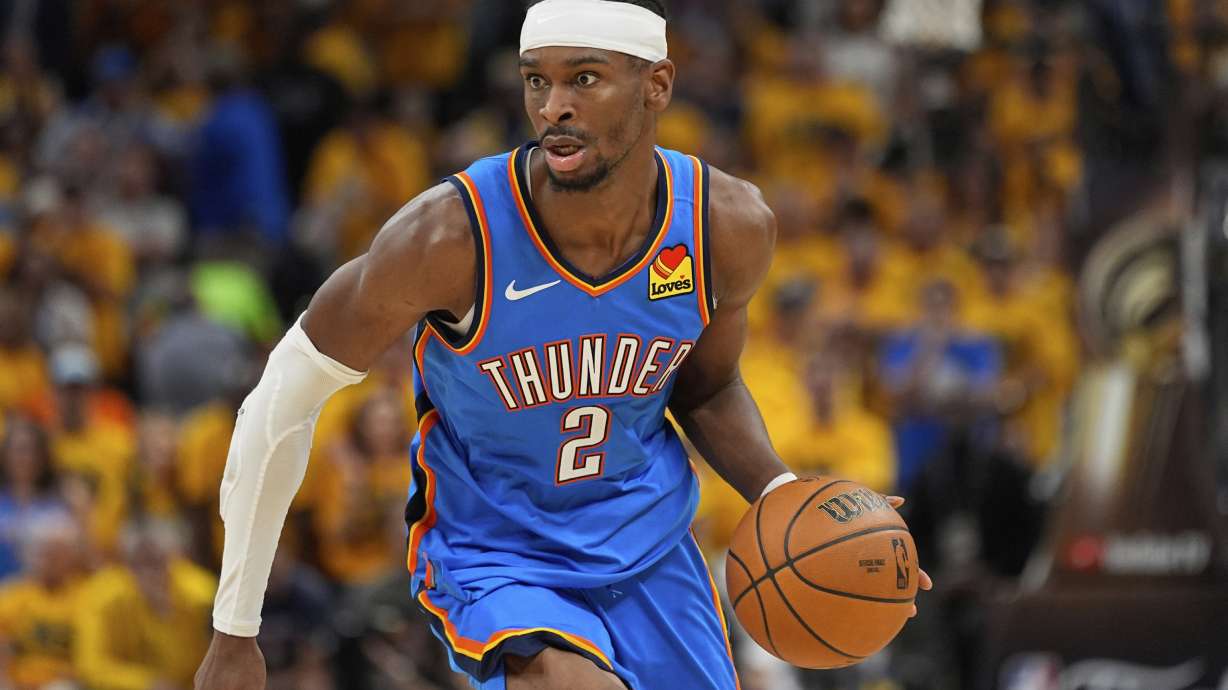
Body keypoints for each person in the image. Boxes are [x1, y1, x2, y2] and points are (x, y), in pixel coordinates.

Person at [195, 2, 931, 689]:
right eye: (536, 82)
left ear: (657, 85)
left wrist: (781, 490)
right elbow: (280, 400)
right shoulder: (448, 238)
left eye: (584, 79)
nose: (553, 108)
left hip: (650, 546)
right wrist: (235, 627)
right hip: (496, 550)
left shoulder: (724, 225)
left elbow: (707, 387)